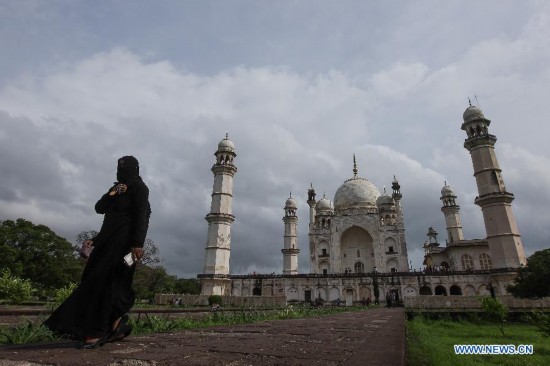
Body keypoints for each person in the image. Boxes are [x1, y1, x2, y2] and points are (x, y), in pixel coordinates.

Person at [44, 156, 151, 349]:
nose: (121, 171)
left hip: (126, 247)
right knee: (96, 282)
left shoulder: (139, 188)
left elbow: (142, 216)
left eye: (125, 168)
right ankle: (114, 325)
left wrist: (137, 244)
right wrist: (112, 194)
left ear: (134, 169)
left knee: (110, 283)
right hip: (107, 244)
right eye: (119, 167)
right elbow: (99, 209)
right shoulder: (118, 189)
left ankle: (98, 331)